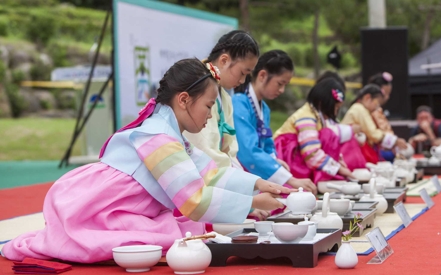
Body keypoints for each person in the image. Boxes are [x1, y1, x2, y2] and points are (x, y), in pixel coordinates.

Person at [1, 59, 292, 263]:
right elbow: (193, 201)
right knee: (169, 235)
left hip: (111, 201)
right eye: (206, 106)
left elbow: (210, 173)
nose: (208, 115)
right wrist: (254, 202)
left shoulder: (166, 127)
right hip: (95, 206)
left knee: (176, 234)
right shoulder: (160, 137)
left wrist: (257, 184)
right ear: (183, 100)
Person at [232, 50, 317, 195]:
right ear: (262, 75)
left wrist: (274, 160)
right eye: (280, 83)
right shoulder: (238, 103)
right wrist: (289, 179)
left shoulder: (264, 109)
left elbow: (267, 144)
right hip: (240, 174)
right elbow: (247, 151)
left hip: (258, 171)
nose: (282, 90)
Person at [183, 30, 259, 170]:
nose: (242, 81)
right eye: (242, 73)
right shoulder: (194, 87)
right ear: (224, 60)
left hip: (214, 172)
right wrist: (244, 181)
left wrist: (243, 179)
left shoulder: (225, 98)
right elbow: (201, 149)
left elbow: (229, 150)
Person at [274, 77, 363, 184]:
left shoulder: (317, 116)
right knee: (328, 134)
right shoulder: (306, 117)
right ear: (323, 103)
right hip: (287, 158)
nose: (335, 113)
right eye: (335, 108)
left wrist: (338, 162)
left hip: (301, 156)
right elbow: (311, 153)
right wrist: (338, 168)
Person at [341, 84, 407, 164]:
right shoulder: (359, 109)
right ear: (367, 98)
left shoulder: (363, 109)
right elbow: (373, 134)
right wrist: (395, 141)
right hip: (350, 153)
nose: (377, 107)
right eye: (377, 103)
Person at [368, 72, 396, 161]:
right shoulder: (371, 110)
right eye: (386, 94)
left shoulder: (377, 109)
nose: (387, 98)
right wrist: (394, 143)